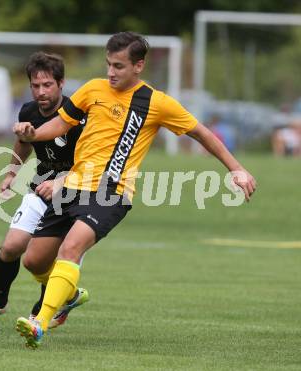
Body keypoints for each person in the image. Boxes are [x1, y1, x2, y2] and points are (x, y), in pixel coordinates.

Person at [13, 31, 257, 348]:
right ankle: (69, 294)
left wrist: (236, 169)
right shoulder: (92, 89)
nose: (111, 72)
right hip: (70, 186)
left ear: (138, 66)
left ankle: (39, 323)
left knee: (71, 248)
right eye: (108, 65)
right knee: (32, 261)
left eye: (119, 66)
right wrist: (33, 133)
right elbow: (60, 125)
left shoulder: (156, 103)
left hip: (110, 192)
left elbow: (201, 133)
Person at [0, 52, 88, 327]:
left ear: (61, 83)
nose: (41, 91)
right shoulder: (28, 112)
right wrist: (11, 174)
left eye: (47, 85)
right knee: (11, 247)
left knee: (41, 259)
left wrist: (62, 182)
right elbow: (23, 143)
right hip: (40, 189)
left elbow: (92, 161)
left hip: (75, 196)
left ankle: (52, 304)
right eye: (35, 85)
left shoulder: (78, 116)